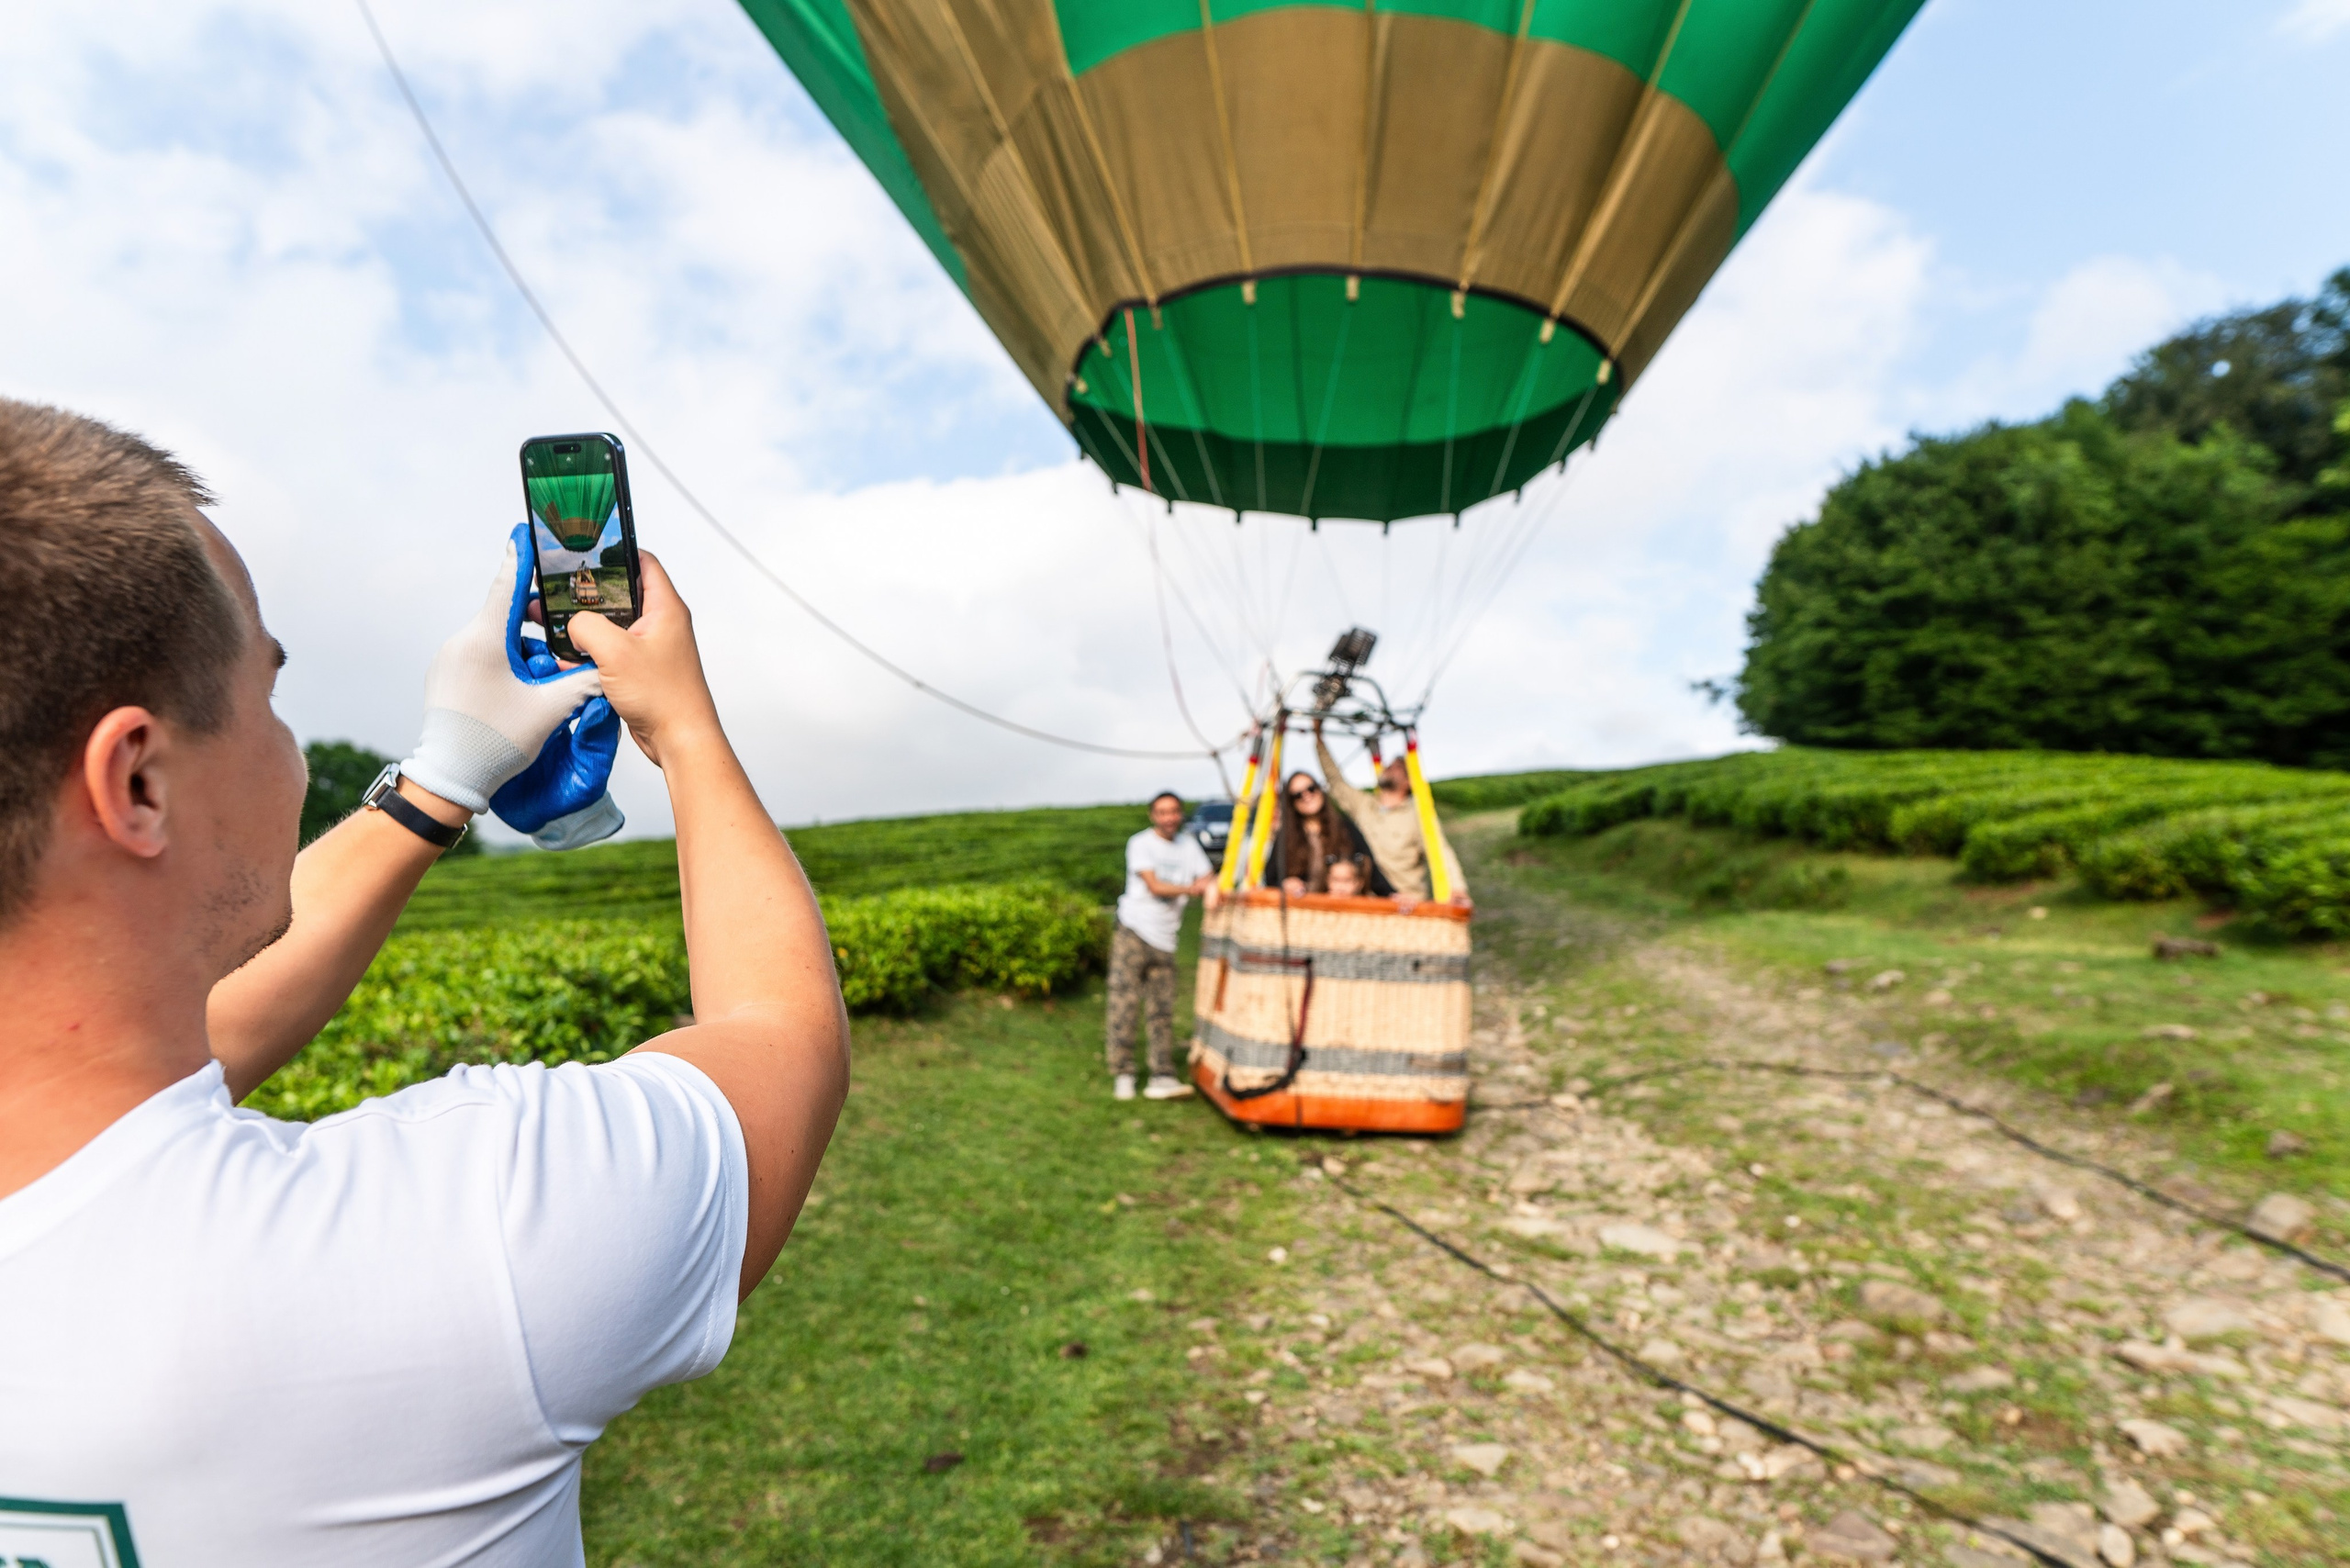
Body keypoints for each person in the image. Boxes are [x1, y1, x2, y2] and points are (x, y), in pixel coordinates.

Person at [0, 400, 850, 1564]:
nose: (291, 747)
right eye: (269, 692)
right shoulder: (456, 1238)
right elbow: (779, 1040)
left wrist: (440, 783)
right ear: (136, 782)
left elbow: (163, 1051)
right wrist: (682, 724)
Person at [1107, 790, 1214, 1102]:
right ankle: (1124, 1072)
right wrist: (1191, 889)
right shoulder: (1140, 844)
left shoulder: (1188, 846)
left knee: (1162, 1008)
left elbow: (1208, 876)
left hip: (1166, 938)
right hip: (1134, 930)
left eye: (1174, 811)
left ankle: (1162, 1074)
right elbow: (1154, 886)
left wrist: (1213, 887)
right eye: (1162, 812)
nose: (1169, 817)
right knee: (1123, 1003)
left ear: (1180, 815)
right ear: (1153, 815)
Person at [1314, 720, 1470, 908]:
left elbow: (1440, 851)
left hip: (1406, 902)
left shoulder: (1418, 815)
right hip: (1369, 901)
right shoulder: (1364, 804)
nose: (1390, 767)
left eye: (1398, 767)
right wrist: (1319, 739)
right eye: (1390, 765)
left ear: (1409, 782)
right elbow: (1335, 781)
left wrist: (1457, 888)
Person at [1270, 769, 1375, 899]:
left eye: (1311, 788)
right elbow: (1270, 877)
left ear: (1320, 789)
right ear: (1291, 803)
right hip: (1301, 908)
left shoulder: (1344, 827)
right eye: (1297, 795)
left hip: (1338, 908)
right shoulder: (1286, 836)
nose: (1307, 796)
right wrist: (1285, 884)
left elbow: (1372, 869)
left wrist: (1392, 894)